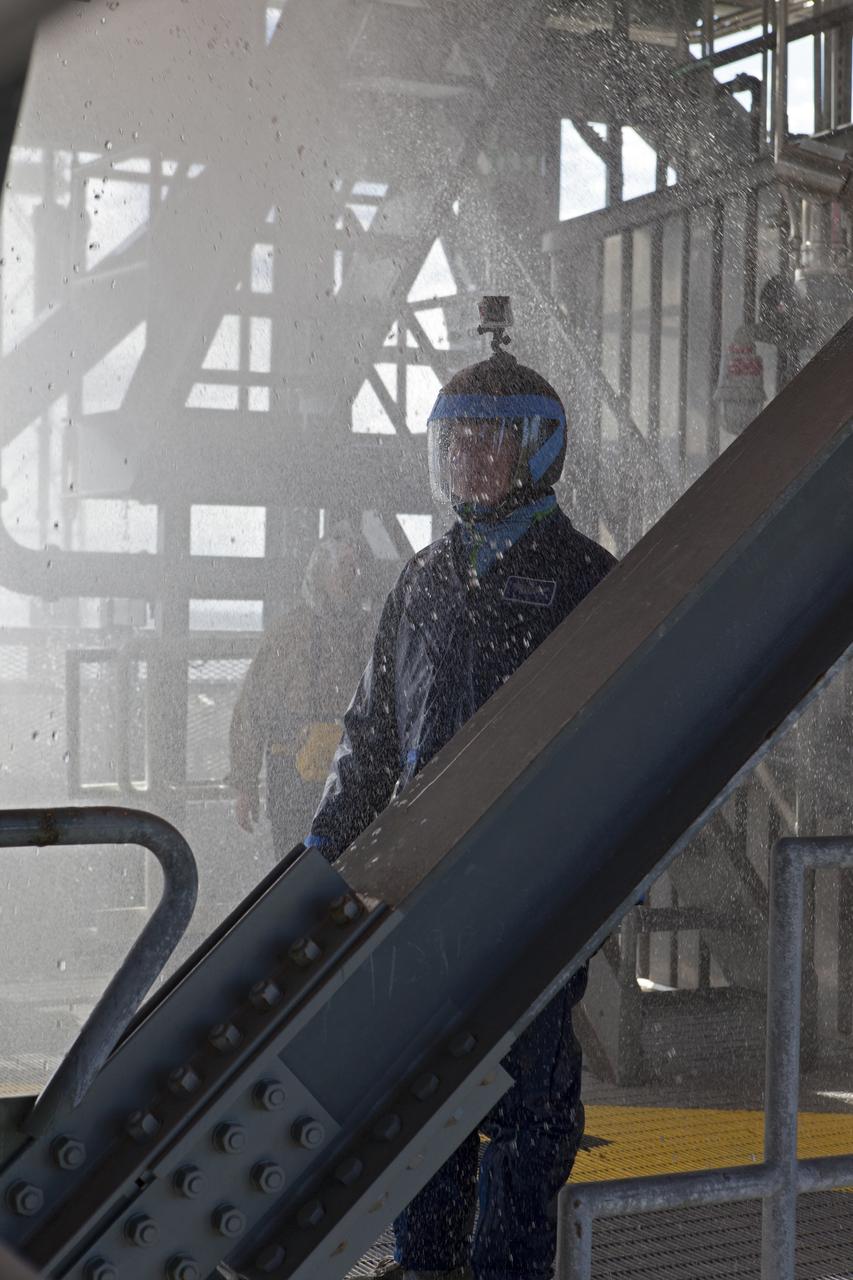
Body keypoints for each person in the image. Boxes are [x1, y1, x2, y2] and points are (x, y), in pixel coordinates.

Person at [305, 302, 616, 1280]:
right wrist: (320, 867)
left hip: (531, 891)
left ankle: (508, 1265)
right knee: (420, 1086)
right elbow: (372, 734)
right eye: (454, 443)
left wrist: (605, 888)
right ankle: (425, 1258)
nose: (468, 461)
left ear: (537, 451)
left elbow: (626, 747)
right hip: (423, 886)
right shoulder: (424, 579)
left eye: (488, 442)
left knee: (525, 1097)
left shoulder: (583, 578)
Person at [228, 528, 369, 862]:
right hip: (292, 768)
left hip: (347, 768)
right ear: (321, 575)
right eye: (343, 568)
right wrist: (245, 784)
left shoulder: (367, 631)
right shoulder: (289, 633)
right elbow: (253, 708)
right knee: (294, 867)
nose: (351, 577)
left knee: (344, 867)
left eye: (354, 568)